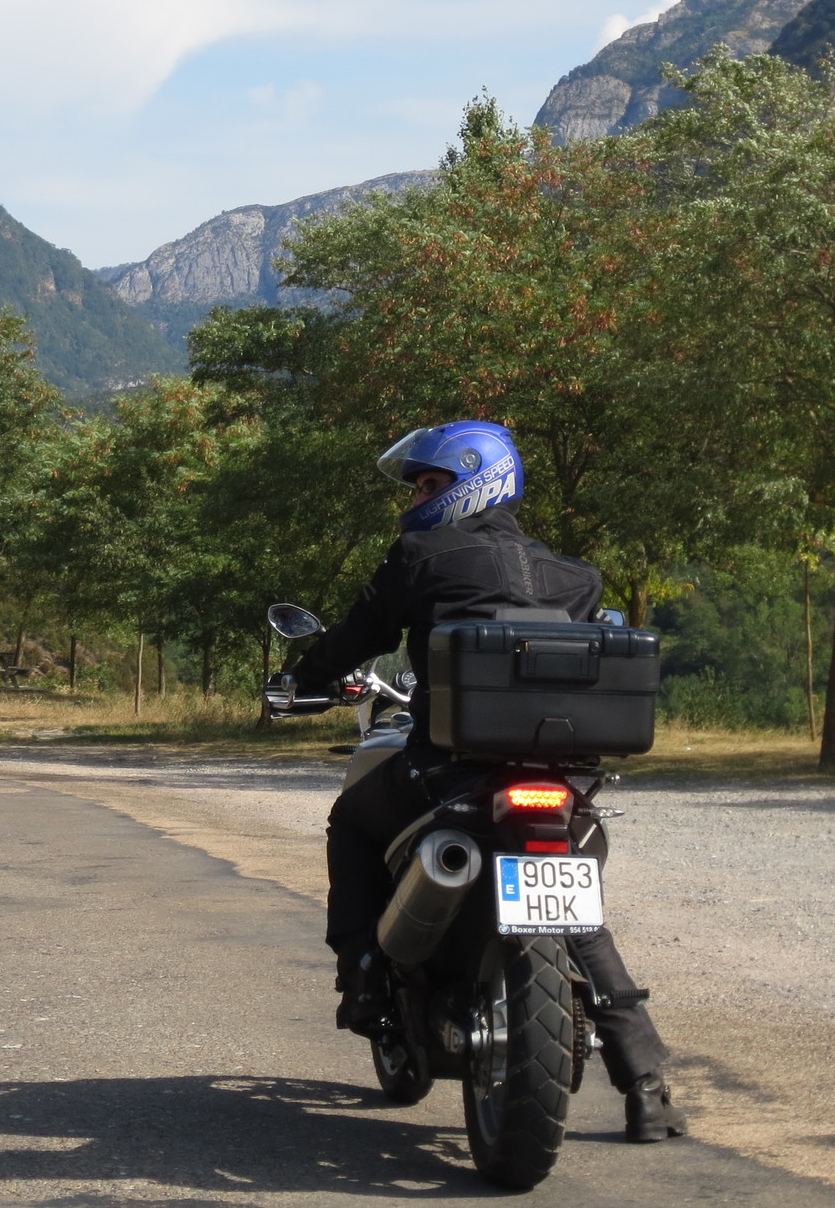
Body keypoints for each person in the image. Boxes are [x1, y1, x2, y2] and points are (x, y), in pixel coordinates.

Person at [281, 419, 688, 1144]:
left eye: (431, 482)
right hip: (560, 779)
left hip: (450, 770)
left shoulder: (418, 555)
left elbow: (358, 635)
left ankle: (363, 975)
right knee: (574, 914)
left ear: (474, 480)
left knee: (351, 816)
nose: (417, 499)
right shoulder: (577, 576)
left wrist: (299, 678)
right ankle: (648, 1085)